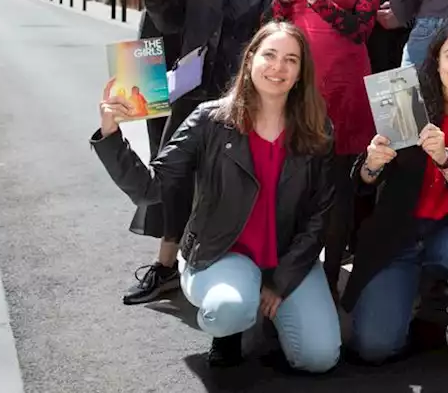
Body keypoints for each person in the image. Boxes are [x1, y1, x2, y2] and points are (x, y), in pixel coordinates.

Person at [90, 21, 340, 372]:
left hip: (288, 256)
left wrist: (281, 282)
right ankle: (234, 320)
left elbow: (319, 216)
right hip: (222, 253)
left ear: (301, 73)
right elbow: (151, 189)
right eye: (269, 55)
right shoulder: (210, 119)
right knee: (228, 311)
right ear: (250, 58)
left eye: (291, 60)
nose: (278, 67)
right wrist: (111, 135)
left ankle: (263, 304)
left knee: (319, 358)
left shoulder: (318, 129)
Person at [125, 0, 274, 305]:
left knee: (248, 176)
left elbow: (256, 10)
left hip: (251, 83)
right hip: (196, 81)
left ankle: (252, 267)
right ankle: (166, 262)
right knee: (174, 171)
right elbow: (174, 20)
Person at [343, 20, 448, 361]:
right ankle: (413, 286)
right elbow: (362, 182)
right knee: (375, 348)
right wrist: (372, 162)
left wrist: (445, 159)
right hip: (398, 236)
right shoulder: (406, 100)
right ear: (435, 61)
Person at [270, 0, 386, 293]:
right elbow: (279, 21)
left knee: (338, 191)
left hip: (345, 86)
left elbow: (360, 31)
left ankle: (330, 278)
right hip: (295, 85)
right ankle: (283, 278)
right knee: (289, 182)